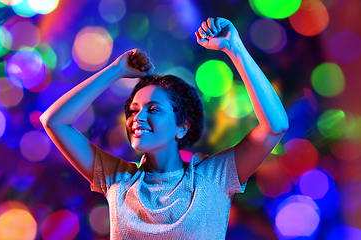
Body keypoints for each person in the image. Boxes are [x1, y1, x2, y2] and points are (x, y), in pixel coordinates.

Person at [40, 17, 288, 239]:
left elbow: (275, 127)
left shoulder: (214, 177)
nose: (137, 117)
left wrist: (235, 49)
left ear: (182, 127)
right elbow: (53, 121)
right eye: (133, 110)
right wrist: (115, 70)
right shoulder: (118, 180)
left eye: (153, 109)